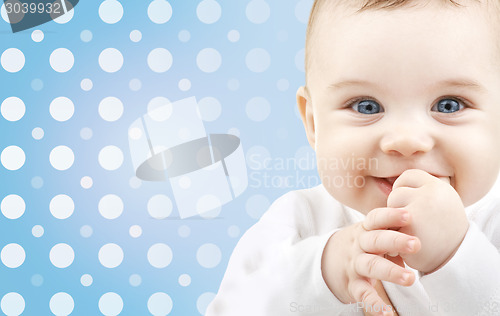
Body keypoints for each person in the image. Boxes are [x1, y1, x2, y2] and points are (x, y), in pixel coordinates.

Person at [205, 0, 500, 315]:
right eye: (366, 106)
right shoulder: (298, 223)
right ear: (314, 123)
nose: (405, 141)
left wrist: (456, 254)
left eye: (449, 105)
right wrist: (323, 274)